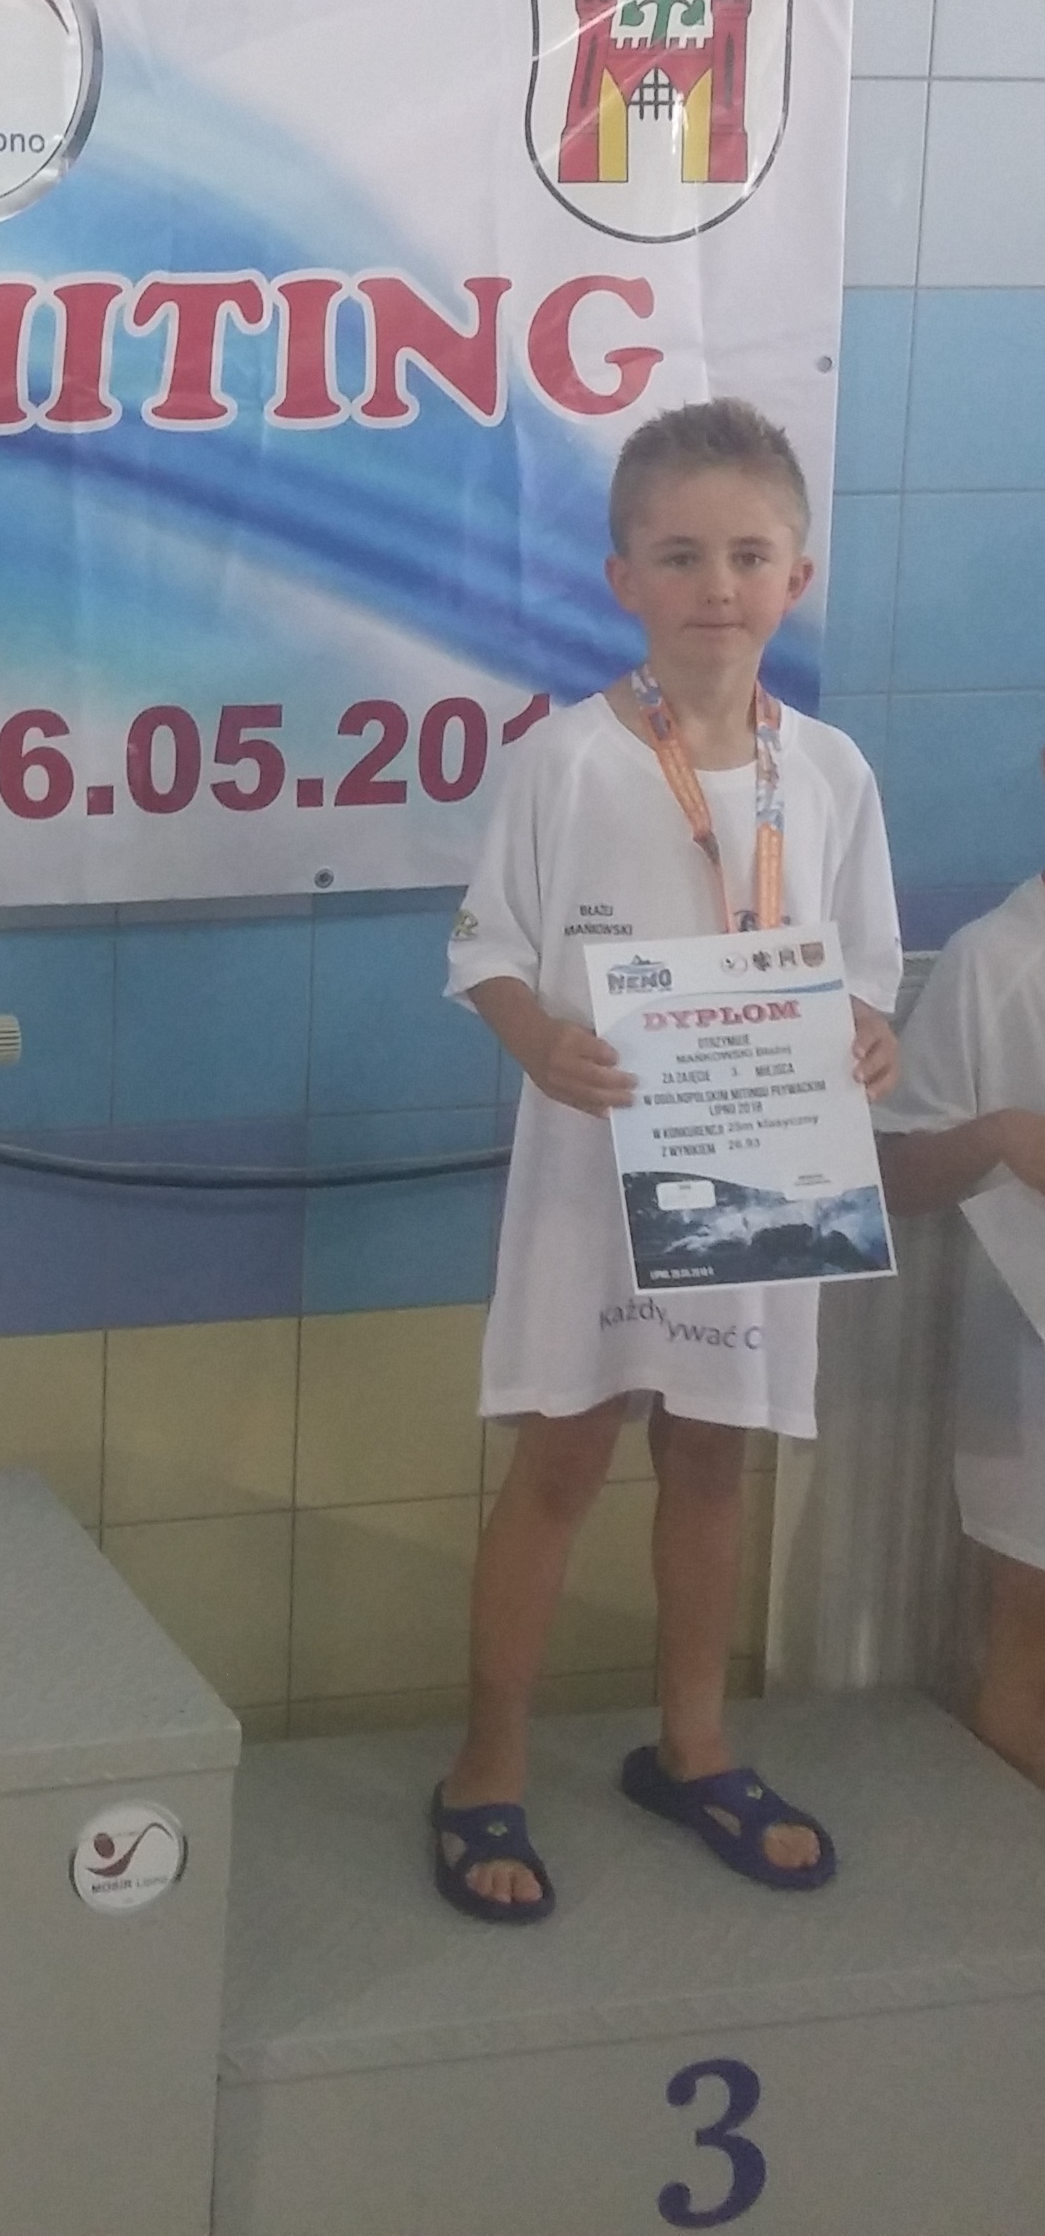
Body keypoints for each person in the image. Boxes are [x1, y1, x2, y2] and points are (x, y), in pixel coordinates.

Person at [434, 397, 902, 1923]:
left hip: (761, 1164)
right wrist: (535, 1040)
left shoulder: (826, 770)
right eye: (681, 554)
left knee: (711, 1454)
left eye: (747, 555)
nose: (716, 583)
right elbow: (485, 947)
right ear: (622, 575)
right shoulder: (567, 761)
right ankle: (485, 1765)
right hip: (594, 1168)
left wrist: (867, 1041)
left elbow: (862, 971)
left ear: (795, 576)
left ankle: (691, 1744)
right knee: (560, 1455)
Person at [876, 818, 1045, 1788]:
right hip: (1025, 1336)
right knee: (1025, 1628)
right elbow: (895, 1177)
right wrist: (998, 1136)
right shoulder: (996, 959)